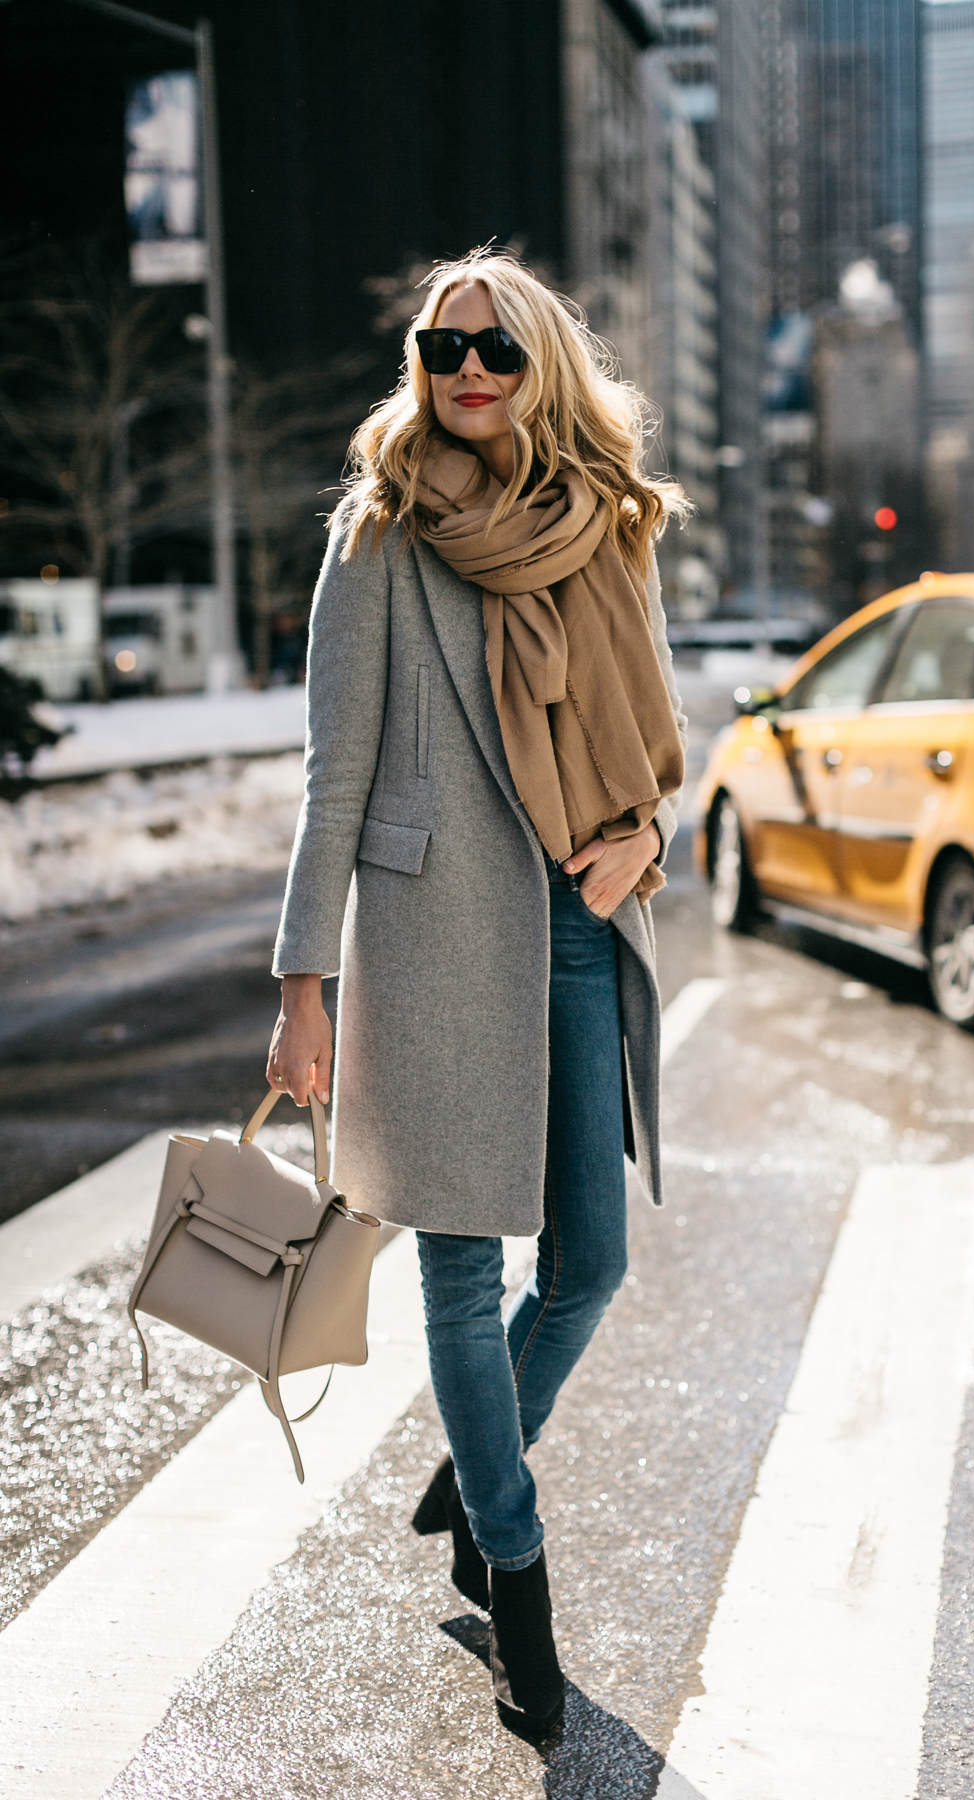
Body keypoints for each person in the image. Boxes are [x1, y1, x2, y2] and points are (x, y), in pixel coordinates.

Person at [266, 247, 687, 1739]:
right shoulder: (380, 534)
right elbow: (336, 776)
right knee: (457, 1272)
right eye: (441, 349)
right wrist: (304, 981)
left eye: (495, 353)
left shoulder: (611, 531)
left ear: (542, 367)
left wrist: (644, 838)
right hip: (440, 937)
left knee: (588, 1267)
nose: (466, 375)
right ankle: (516, 1577)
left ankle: (473, 1460)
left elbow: (657, 754)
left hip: (583, 925)